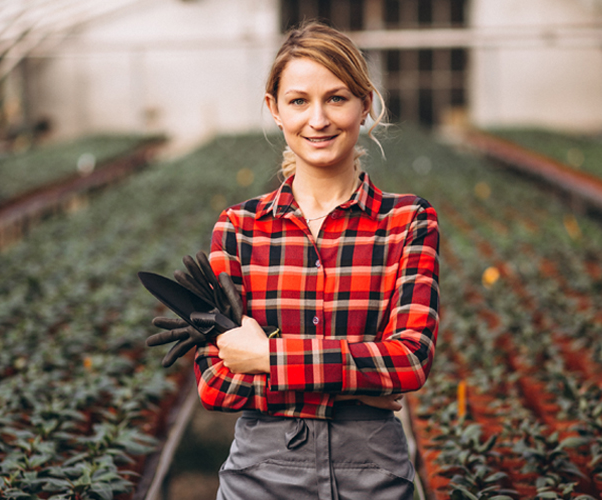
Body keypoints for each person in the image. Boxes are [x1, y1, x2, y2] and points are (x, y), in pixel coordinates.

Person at [152, 21, 439, 500]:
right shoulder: (240, 227)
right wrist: (357, 385)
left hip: (374, 474)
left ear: (365, 105)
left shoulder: (406, 221)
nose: (319, 119)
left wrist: (266, 357)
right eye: (299, 100)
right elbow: (216, 384)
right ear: (275, 110)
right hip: (260, 475)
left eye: (337, 98)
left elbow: (409, 360)